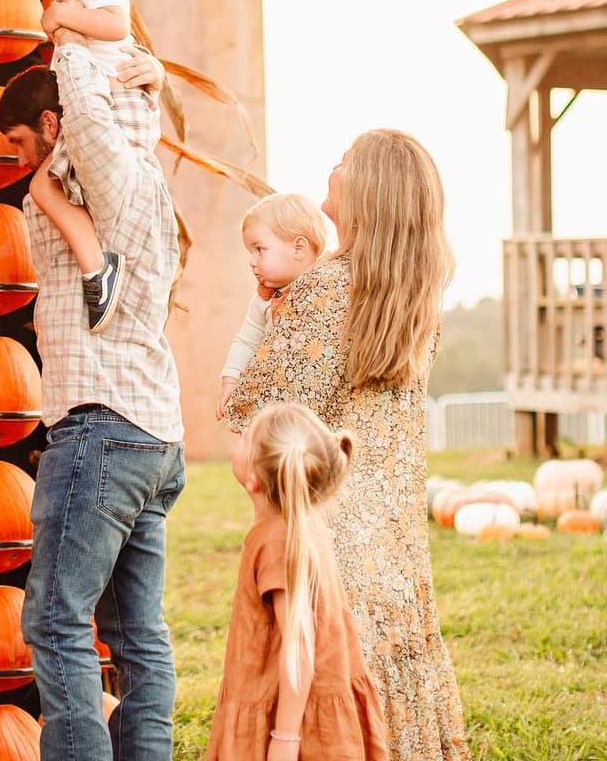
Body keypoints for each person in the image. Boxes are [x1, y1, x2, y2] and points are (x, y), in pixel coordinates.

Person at [224, 129, 469, 760]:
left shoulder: (322, 289)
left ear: (367, 189)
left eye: (345, 161)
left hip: (323, 532)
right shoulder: (416, 300)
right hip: (394, 540)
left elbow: (261, 421)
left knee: (320, 706)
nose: (332, 169)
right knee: (388, 689)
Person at [0, 30, 185, 761]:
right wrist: (147, 75)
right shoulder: (142, 180)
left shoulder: (90, 172)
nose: (19, 160)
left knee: (55, 620)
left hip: (100, 426)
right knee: (138, 633)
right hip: (155, 432)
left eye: (21, 142)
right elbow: (125, 115)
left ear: (53, 123)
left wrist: (81, 43)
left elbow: (87, 84)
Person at [206, 402, 388, 761]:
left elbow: (299, 645)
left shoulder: (277, 541)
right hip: (301, 704)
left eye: (246, 437)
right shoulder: (300, 526)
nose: (238, 437)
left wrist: (285, 737)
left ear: (255, 479)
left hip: (295, 720)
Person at [19, 0, 156, 332]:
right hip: (121, 106)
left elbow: (116, 26)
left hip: (110, 109)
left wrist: (61, 17)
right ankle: (98, 265)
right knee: (51, 187)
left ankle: (98, 267)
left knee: (46, 189)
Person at [217, 193, 326, 420]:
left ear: (298, 249)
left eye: (259, 249)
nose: (251, 261)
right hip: (276, 403)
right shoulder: (263, 300)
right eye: (251, 252)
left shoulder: (327, 289)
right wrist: (230, 379)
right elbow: (246, 340)